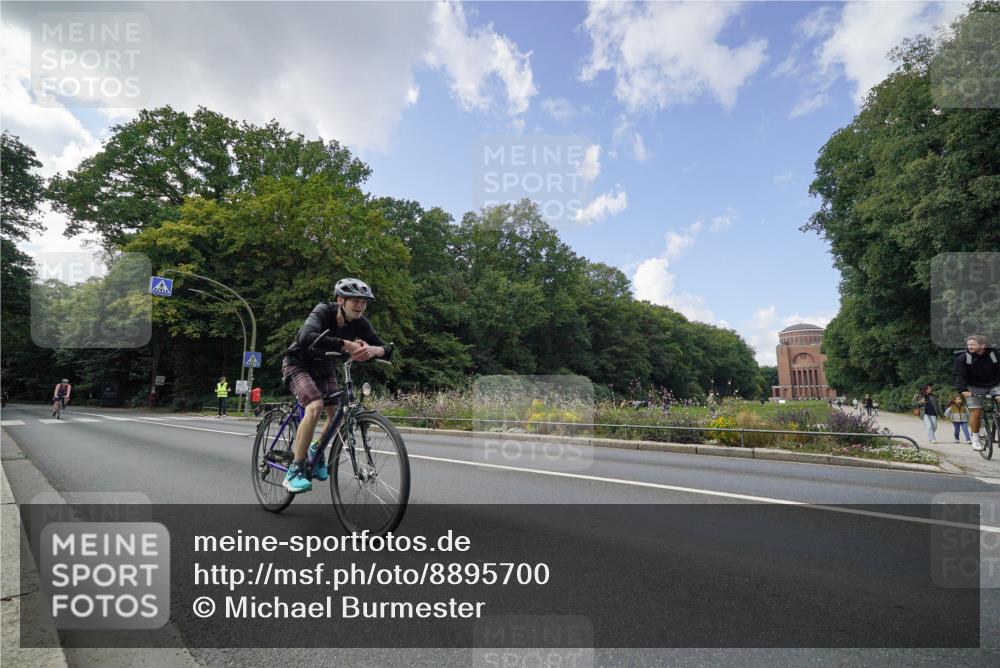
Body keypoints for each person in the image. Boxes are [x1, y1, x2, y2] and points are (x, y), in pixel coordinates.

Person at [280, 278, 392, 493]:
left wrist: (374, 351)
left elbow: (383, 346)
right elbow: (305, 337)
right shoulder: (323, 311)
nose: (360, 306)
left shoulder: (360, 322)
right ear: (340, 300)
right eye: (355, 301)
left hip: (324, 366)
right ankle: (294, 470)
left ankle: (316, 449)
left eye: (364, 302)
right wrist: (346, 344)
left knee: (338, 414)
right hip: (298, 364)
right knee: (315, 406)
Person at [954, 334, 1000, 452]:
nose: (969, 347)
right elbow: (960, 376)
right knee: (976, 410)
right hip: (973, 387)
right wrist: (963, 390)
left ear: (982, 345)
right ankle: (975, 438)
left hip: (994, 384)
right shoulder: (963, 358)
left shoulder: (994, 355)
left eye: (973, 344)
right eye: (968, 344)